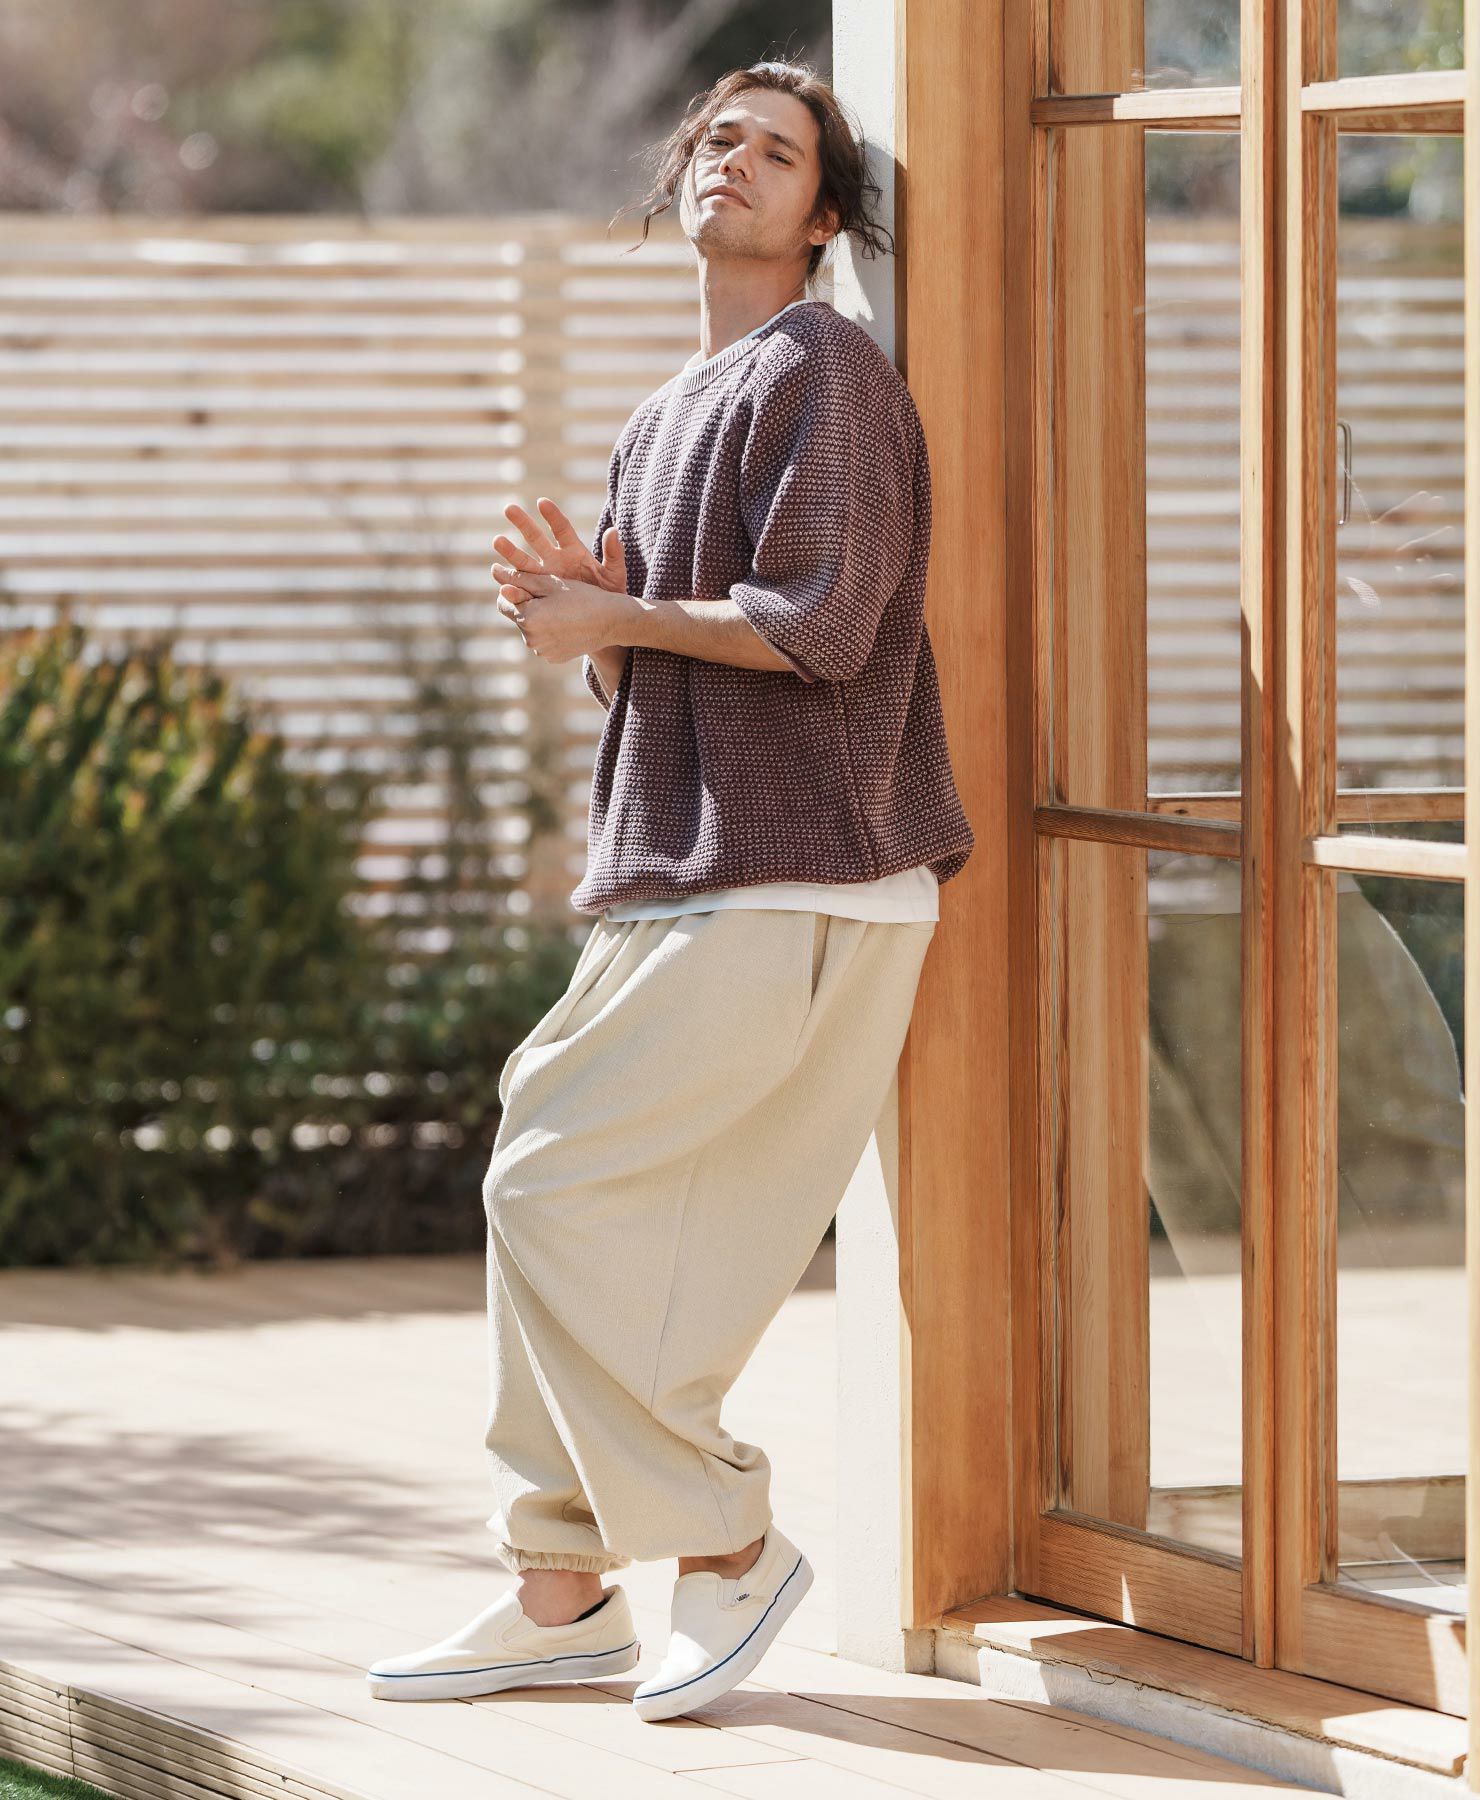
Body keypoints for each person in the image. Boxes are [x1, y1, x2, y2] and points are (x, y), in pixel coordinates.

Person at [366, 57, 974, 1723]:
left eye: (778, 151)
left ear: (824, 216)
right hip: (683, 872)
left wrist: (620, 619)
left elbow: (825, 625)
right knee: (576, 1191)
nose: (737, 161)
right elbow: (658, 669)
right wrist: (594, 617)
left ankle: (725, 1545)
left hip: (805, 877)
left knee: (548, 1184)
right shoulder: (663, 413)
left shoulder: (824, 371)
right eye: (717, 139)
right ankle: (560, 1589)